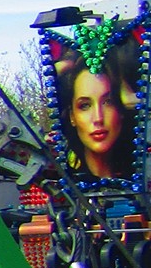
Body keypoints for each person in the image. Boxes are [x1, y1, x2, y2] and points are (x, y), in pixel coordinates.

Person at [50, 35, 139, 181]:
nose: (98, 118)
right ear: (72, 116)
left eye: (108, 102)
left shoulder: (142, 178)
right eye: (85, 106)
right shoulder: (59, 183)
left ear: (121, 109)